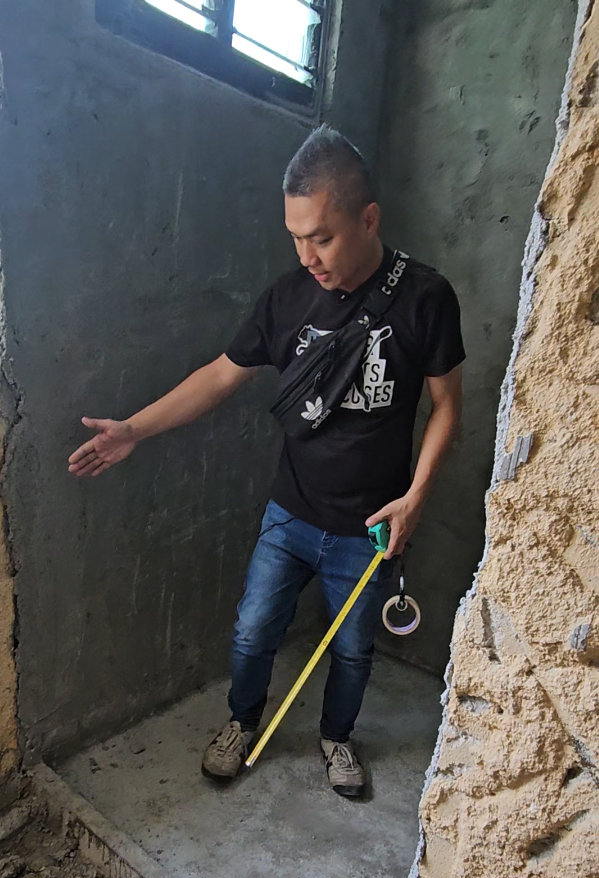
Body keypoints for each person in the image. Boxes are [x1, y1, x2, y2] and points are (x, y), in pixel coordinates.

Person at [68, 126, 464, 799]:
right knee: (252, 633)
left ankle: (337, 737)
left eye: (322, 236)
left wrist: (417, 495)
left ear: (367, 219)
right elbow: (219, 377)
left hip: (368, 528)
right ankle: (241, 722)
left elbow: (447, 404)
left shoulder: (425, 298)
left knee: (352, 651)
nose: (306, 255)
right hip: (290, 510)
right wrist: (134, 428)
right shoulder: (286, 298)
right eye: (295, 236)